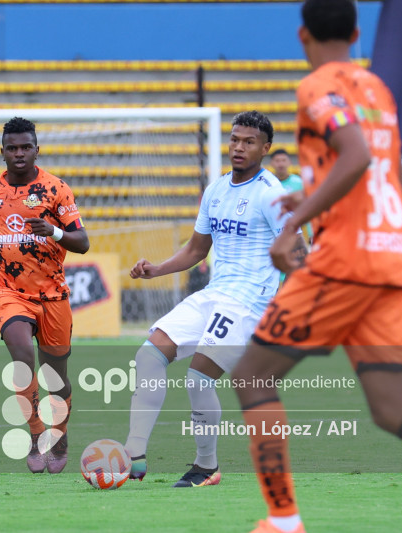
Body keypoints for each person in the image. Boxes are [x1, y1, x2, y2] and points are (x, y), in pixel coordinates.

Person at [230, 2, 402, 532]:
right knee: (390, 407)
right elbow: (377, 172)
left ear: (302, 34)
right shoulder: (376, 88)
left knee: (251, 375)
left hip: (344, 259)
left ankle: (283, 520)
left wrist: (295, 223)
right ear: (357, 34)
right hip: (387, 258)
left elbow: (354, 156)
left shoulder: (317, 88)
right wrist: (315, 195)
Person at [124, 111, 304, 488]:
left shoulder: (272, 195)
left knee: (198, 377)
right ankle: (133, 455)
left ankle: (206, 467)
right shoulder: (216, 189)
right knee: (149, 354)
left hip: (250, 304)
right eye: (235, 139)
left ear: (265, 148)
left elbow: (301, 256)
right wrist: (156, 269)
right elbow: (196, 250)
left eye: (249, 141)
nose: (239, 147)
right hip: (214, 294)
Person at [0, 117, 89, 474]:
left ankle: (59, 437)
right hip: (9, 290)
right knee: (21, 353)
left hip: (53, 295)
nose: (18, 153)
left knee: (56, 373)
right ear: (2, 152)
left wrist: (56, 233)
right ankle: (34, 436)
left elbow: (83, 242)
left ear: (36, 150)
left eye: (25, 147)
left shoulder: (56, 189)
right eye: (12, 148)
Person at [268, 148, 311, 281]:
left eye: (283, 160)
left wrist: (310, 235)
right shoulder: (268, 184)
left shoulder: (299, 183)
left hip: (296, 236)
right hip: (273, 235)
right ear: (272, 163)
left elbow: (308, 209)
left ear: (289, 162)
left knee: (294, 272)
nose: (280, 163)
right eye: (277, 160)